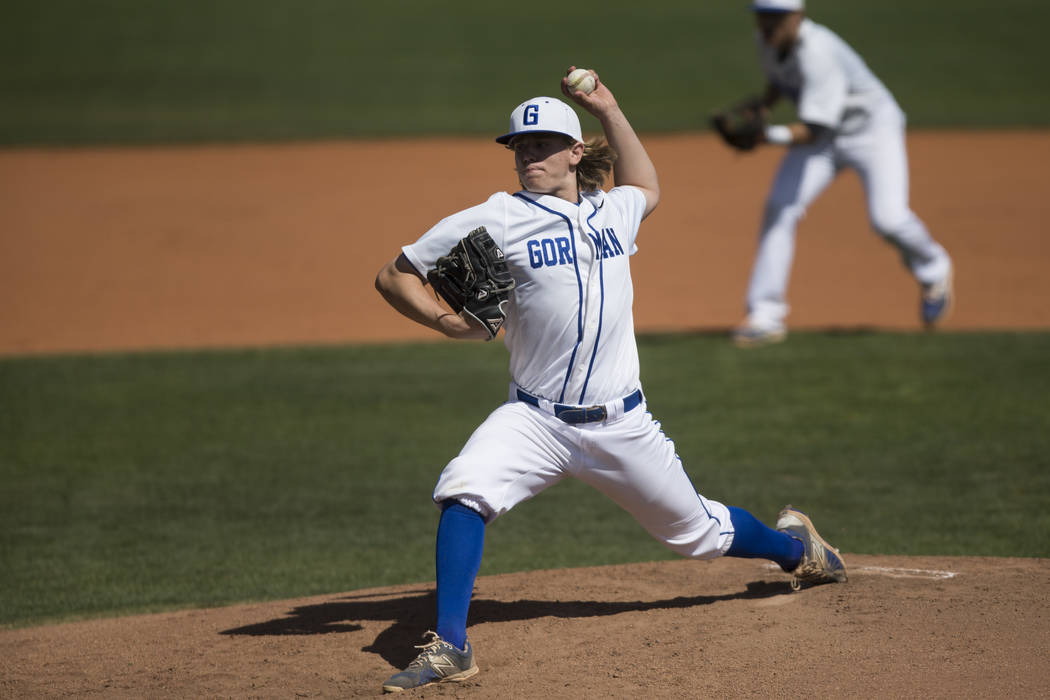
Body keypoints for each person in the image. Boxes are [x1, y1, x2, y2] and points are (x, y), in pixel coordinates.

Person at [374, 67, 847, 693]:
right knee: (464, 489)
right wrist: (445, 321)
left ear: (574, 153)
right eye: (520, 146)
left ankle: (799, 549)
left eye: (542, 144)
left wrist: (609, 108)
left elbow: (646, 185)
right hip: (534, 420)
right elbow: (394, 275)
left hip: (622, 424)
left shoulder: (613, 213)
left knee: (699, 535)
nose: (529, 156)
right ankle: (451, 646)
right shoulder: (497, 217)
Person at [728, 0, 954, 347]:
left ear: (798, 17)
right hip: (823, 137)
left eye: (776, 18)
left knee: (889, 219)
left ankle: (934, 268)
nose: (768, 26)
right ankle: (765, 315)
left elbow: (815, 128)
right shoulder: (767, 42)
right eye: (763, 17)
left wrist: (763, 136)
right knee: (780, 207)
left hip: (871, 131)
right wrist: (764, 106)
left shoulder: (818, 52)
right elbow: (780, 78)